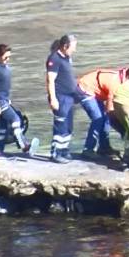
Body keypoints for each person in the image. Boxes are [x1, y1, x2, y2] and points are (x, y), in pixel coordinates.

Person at [0, 44, 37, 157]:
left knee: (2, 127)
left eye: (9, 57)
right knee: (16, 120)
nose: (8, 60)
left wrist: (7, 100)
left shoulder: (4, 65)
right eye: (5, 57)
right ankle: (24, 145)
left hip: (4, 99)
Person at [45, 34, 88, 164]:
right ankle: (56, 153)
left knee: (68, 125)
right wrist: (53, 99)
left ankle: (64, 150)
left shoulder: (67, 57)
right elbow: (50, 80)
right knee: (60, 125)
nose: (74, 50)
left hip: (70, 97)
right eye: (73, 47)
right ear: (65, 46)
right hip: (60, 97)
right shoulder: (54, 59)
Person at [77, 66, 129, 158]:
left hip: (96, 92)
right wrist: (121, 126)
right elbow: (110, 108)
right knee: (98, 119)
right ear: (128, 78)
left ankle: (104, 147)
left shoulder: (122, 77)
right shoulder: (115, 84)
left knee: (106, 119)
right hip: (85, 89)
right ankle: (88, 150)